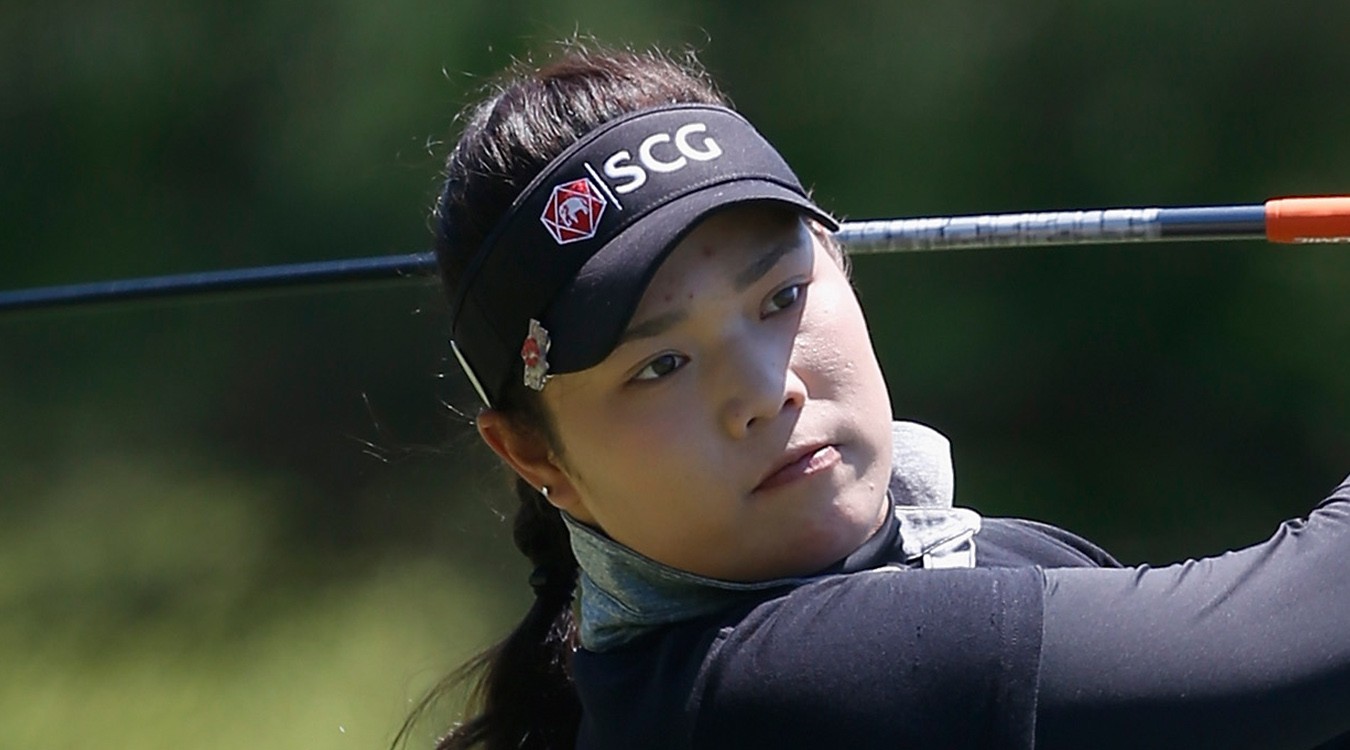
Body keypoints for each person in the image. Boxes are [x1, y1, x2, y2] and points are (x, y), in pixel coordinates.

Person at [400, 43, 1350, 750]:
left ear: (843, 266)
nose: (766, 392)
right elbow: (1294, 649)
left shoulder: (989, 556)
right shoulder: (761, 692)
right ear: (535, 456)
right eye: (660, 366)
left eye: (782, 298)